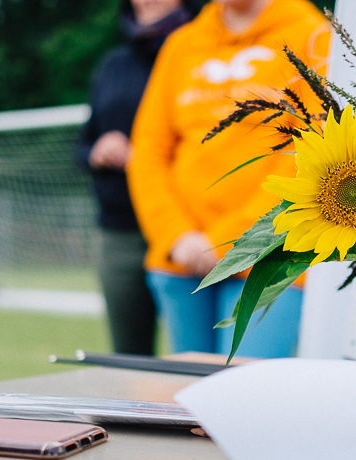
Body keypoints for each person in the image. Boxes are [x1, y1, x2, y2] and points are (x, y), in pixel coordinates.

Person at [126, 0, 329, 357]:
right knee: (187, 401)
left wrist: (230, 242)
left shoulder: (313, 34)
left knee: (247, 398)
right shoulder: (181, 44)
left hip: (271, 257)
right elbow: (148, 151)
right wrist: (176, 234)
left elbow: (315, 151)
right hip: (182, 261)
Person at [76, 0, 196, 355]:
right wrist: (99, 150)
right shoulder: (113, 65)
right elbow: (81, 146)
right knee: (128, 357)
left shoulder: (199, 55)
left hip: (188, 228)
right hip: (121, 232)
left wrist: (145, 162)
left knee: (197, 359)